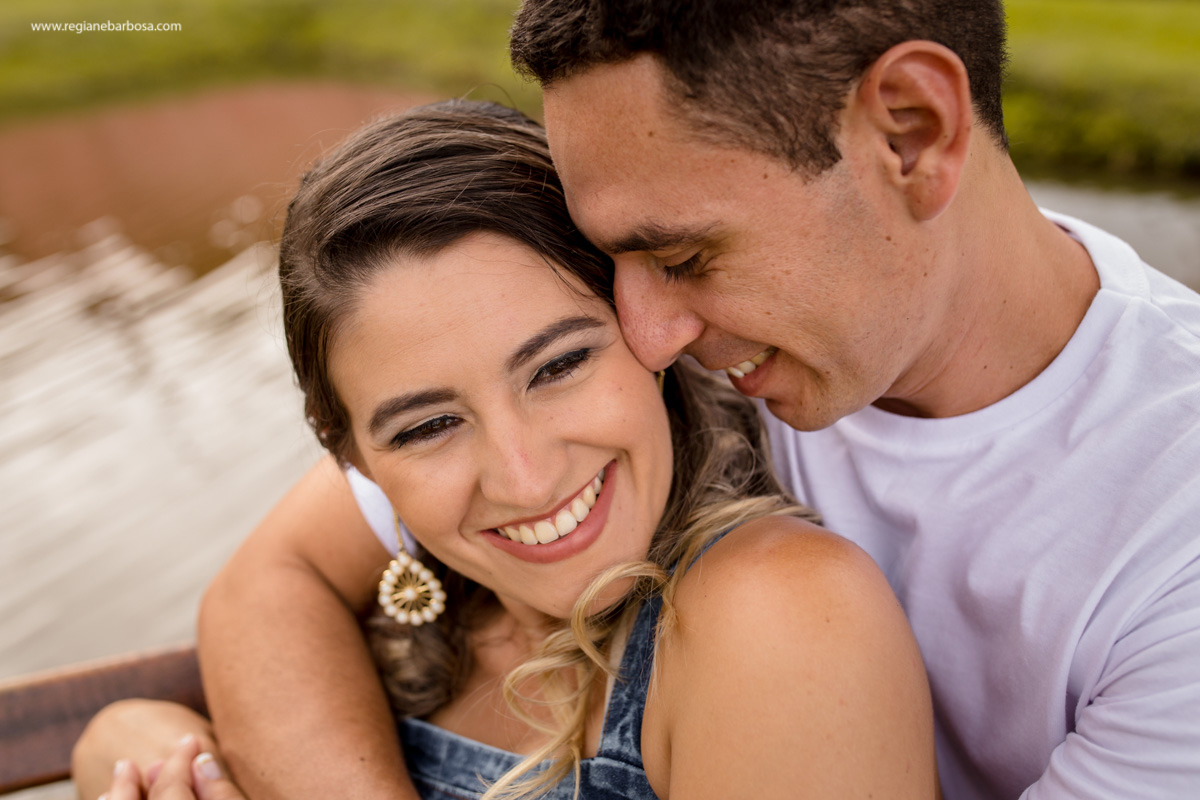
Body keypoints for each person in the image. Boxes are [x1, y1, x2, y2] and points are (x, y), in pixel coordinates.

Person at [84, 1, 1200, 797]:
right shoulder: (707, 348)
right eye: (613, 257)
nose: (646, 333)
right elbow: (274, 581)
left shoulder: (1174, 539)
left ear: (910, 132)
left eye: (681, 252)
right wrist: (147, 739)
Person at [73, 100, 937, 800]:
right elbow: (260, 591)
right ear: (354, 462)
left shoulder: (783, 617)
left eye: (559, 365)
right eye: (427, 427)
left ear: (645, 330)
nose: (524, 476)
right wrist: (145, 746)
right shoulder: (423, 586)